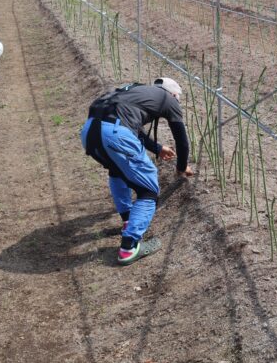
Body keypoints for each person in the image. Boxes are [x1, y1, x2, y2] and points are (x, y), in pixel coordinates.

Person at [81, 78, 194, 266]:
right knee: (148, 190)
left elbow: (132, 126)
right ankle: (129, 247)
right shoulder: (170, 99)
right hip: (115, 133)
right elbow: (181, 140)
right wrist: (181, 168)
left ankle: (127, 221)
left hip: (90, 130)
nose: (176, 103)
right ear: (174, 95)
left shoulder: (136, 91)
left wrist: (157, 148)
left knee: (116, 170)